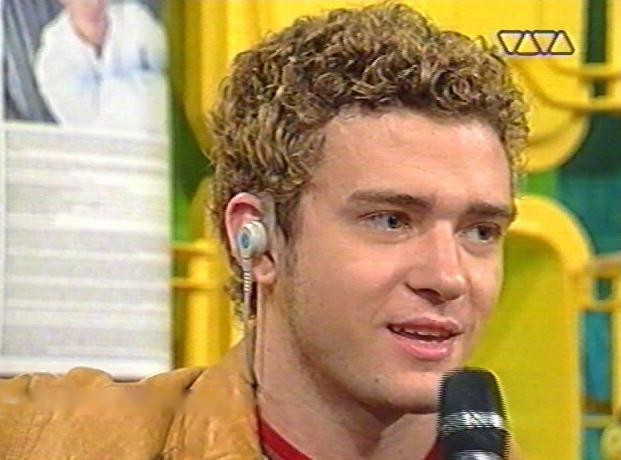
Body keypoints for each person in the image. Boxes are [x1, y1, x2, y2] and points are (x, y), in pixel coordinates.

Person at [0, 3, 528, 458]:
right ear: (256, 239)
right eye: (391, 221)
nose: (447, 277)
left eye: (480, 232)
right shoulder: (55, 438)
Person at [34, 0, 167, 133]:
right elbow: (88, 129)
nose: (95, 3)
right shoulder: (53, 62)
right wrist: (147, 85)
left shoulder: (134, 18)